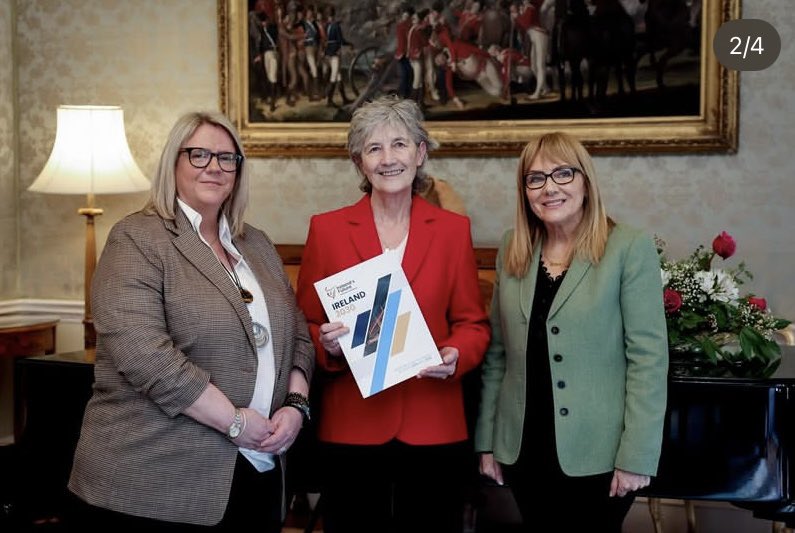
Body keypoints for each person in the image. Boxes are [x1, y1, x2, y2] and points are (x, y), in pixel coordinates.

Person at [66, 111, 315, 532]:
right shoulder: (136, 238)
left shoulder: (257, 244)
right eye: (199, 155)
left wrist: (295, 406)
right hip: (154, 481)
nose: (214, 167)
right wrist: (234, 422)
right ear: (174, 163)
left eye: (226, 158)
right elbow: (146, 356)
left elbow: (299, 338)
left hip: (257, 471)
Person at [295, 95, 490, 533]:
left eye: (399, 144)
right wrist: (327, 347)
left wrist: (456, 353)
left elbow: (472, 324)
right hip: (353, 425)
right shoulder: (326, 230)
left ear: (420, 153)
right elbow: (304, 325)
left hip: (433, 422)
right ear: (359, 162)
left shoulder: (453, 231)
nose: (388, 159)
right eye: (374, 148)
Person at [474, 131, 668, 531]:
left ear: (585, 181)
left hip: (600, 452)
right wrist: (488, 441)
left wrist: (637, 455)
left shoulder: (628, 248)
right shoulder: (513, 247)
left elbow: (648, 361)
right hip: (523, 449)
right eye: (536, 178)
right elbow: (497, 356)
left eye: (563, 173)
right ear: (525, 191)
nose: (550, 188)